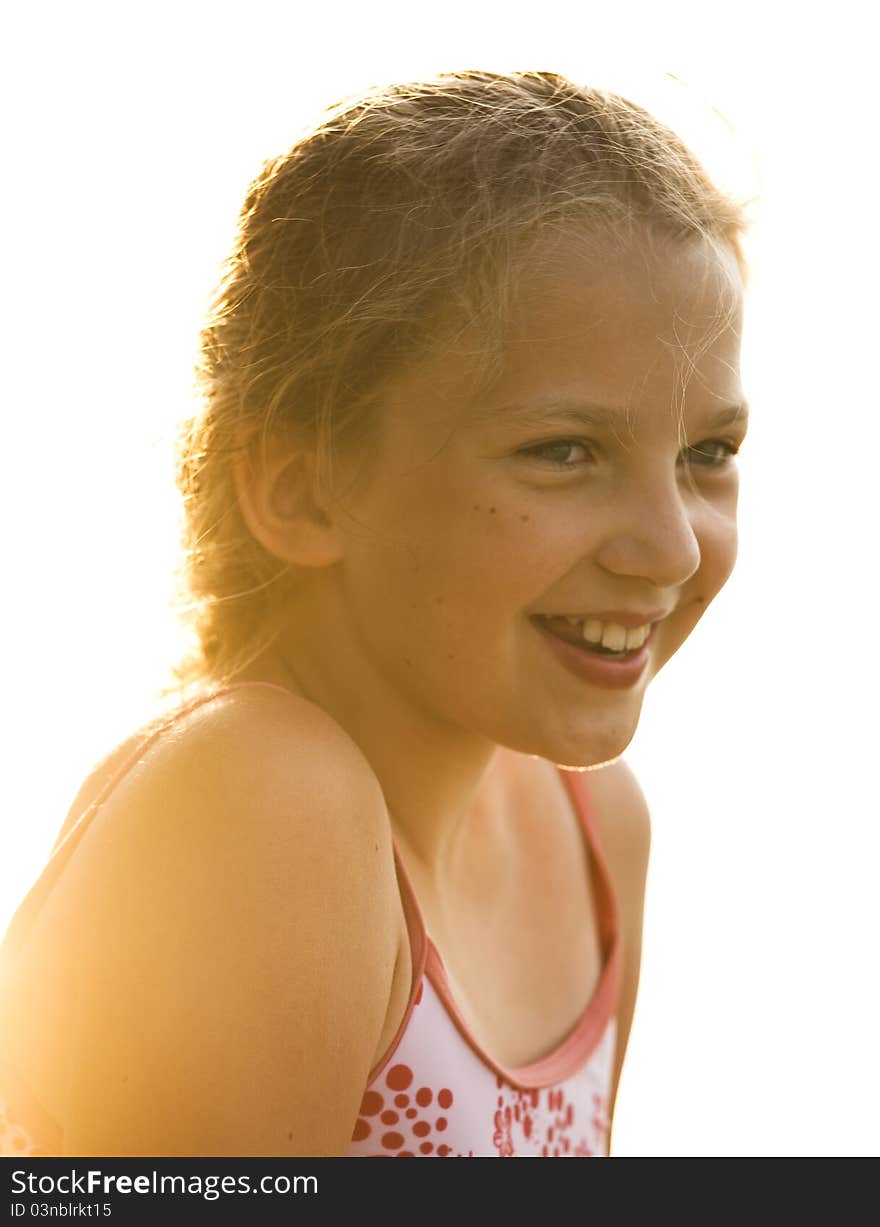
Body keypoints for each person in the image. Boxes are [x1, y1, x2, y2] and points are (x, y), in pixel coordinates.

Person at [0, 69, 749, 1158]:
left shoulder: (595, 830)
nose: (672, 548)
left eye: (707, 455)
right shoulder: (263, 800)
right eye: (563, 452)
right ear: (303, 487)